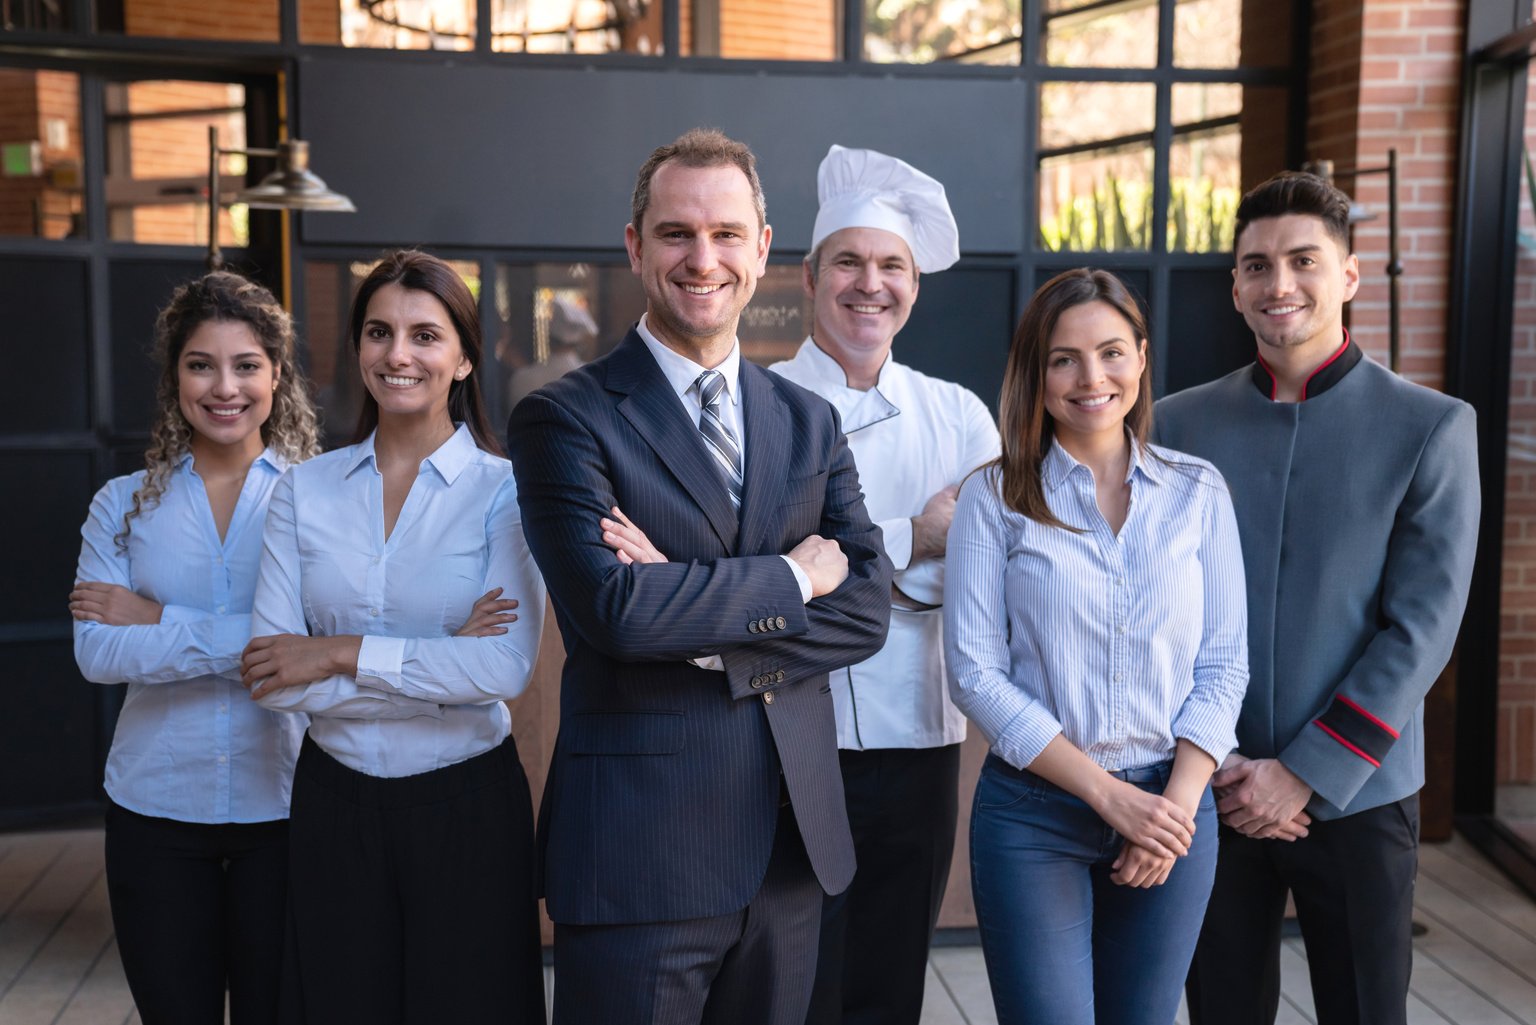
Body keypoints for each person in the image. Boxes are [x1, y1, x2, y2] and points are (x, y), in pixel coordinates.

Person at [506, 127, 891, 1025]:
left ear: (762, 250)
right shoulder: (565, 418)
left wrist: (704, 634)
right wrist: (792, 580)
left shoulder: (808, 421)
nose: (702, 257)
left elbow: (867, 605)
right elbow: (615, 613)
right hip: (642, 854)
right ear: (636, 247)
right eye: (677, 233)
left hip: (790, 851)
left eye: (726, 234)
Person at [1156, 172, 1481, 1025]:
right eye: (1256, 266)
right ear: (1234, 286)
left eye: (1304, 260)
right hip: (1211, 784)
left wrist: (1302, 772)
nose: (1280, 284)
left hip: (1357, 791)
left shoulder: (1431, 426)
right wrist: (1217, 762)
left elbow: (1422, 627)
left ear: (1350, 274)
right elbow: (1154, 603)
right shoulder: (1174, 425)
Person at [240, 250, 546, 1025]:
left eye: (425, 335)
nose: (398, 354)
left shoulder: (506, 495)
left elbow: (502, 665)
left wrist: (339, 649)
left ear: (466, 356)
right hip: (333, 802)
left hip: (467, 808)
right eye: (379, 332)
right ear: (357, 349)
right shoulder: (302, 492)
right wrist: (440, 660)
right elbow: (274, 673)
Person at [945, 268, 1249, 1025]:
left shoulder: (1198, 491)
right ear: (1036, 372)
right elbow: (975, 672)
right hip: (1034, 811)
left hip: (1171, 801)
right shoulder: (994, 496)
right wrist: (1111, 798)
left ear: (1142, 358)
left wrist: (1169, 810)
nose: (1092, 378)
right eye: (1064, 358)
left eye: (1112, 352)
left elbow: (1223, 663)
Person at [769, 144, 1000, 1025]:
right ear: (809, 274)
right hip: (789, 734)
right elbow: (759, 573)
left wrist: (842, 567)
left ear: (914, 283)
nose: (872, 284)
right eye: (851, 262)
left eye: (891, 265)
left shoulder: (960, 414)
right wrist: (915, 538)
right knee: (794, 976)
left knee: (891, 975)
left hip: (918, 735)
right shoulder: (759, 403)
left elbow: (989, 569)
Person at [70, 271, 320, 1025]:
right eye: (201, 364)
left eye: (246, 364)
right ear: (175, 374)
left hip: (284, 810)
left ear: (277, 374)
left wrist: (157, 617)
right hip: (154, 811)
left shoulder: (320, 499)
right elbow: (98, 654)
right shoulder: (120, 504)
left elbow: (314, 647)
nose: (224, 387)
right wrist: (254, 641)